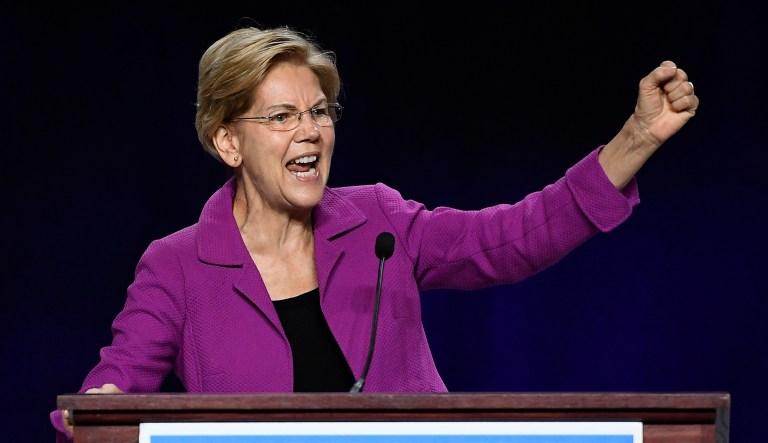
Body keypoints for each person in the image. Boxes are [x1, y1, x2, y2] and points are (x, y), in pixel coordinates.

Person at [50, 24, 698, 441]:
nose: (310, 130)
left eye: (319, 111)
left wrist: (636, 139)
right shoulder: (178, 264)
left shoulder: (378, 222)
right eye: (281, 116)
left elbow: (510, 239)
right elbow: (106, 398)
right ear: (227, 141)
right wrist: (98, 408)